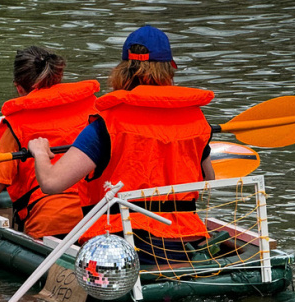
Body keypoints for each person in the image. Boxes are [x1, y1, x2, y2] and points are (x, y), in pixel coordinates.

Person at [28, 26, 216, 264]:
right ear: (169, 69)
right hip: (179, 241)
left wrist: (40, 153)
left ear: (123, 71)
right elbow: (209, 182)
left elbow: (52, 184)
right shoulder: (195, 120)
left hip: (118, 247)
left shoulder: (108, 123)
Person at [0, 45, 100, 238]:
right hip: (97, 217)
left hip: (50, 225)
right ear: (58, 77)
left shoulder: (16, 124)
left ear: (19, 87)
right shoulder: (95, 110)